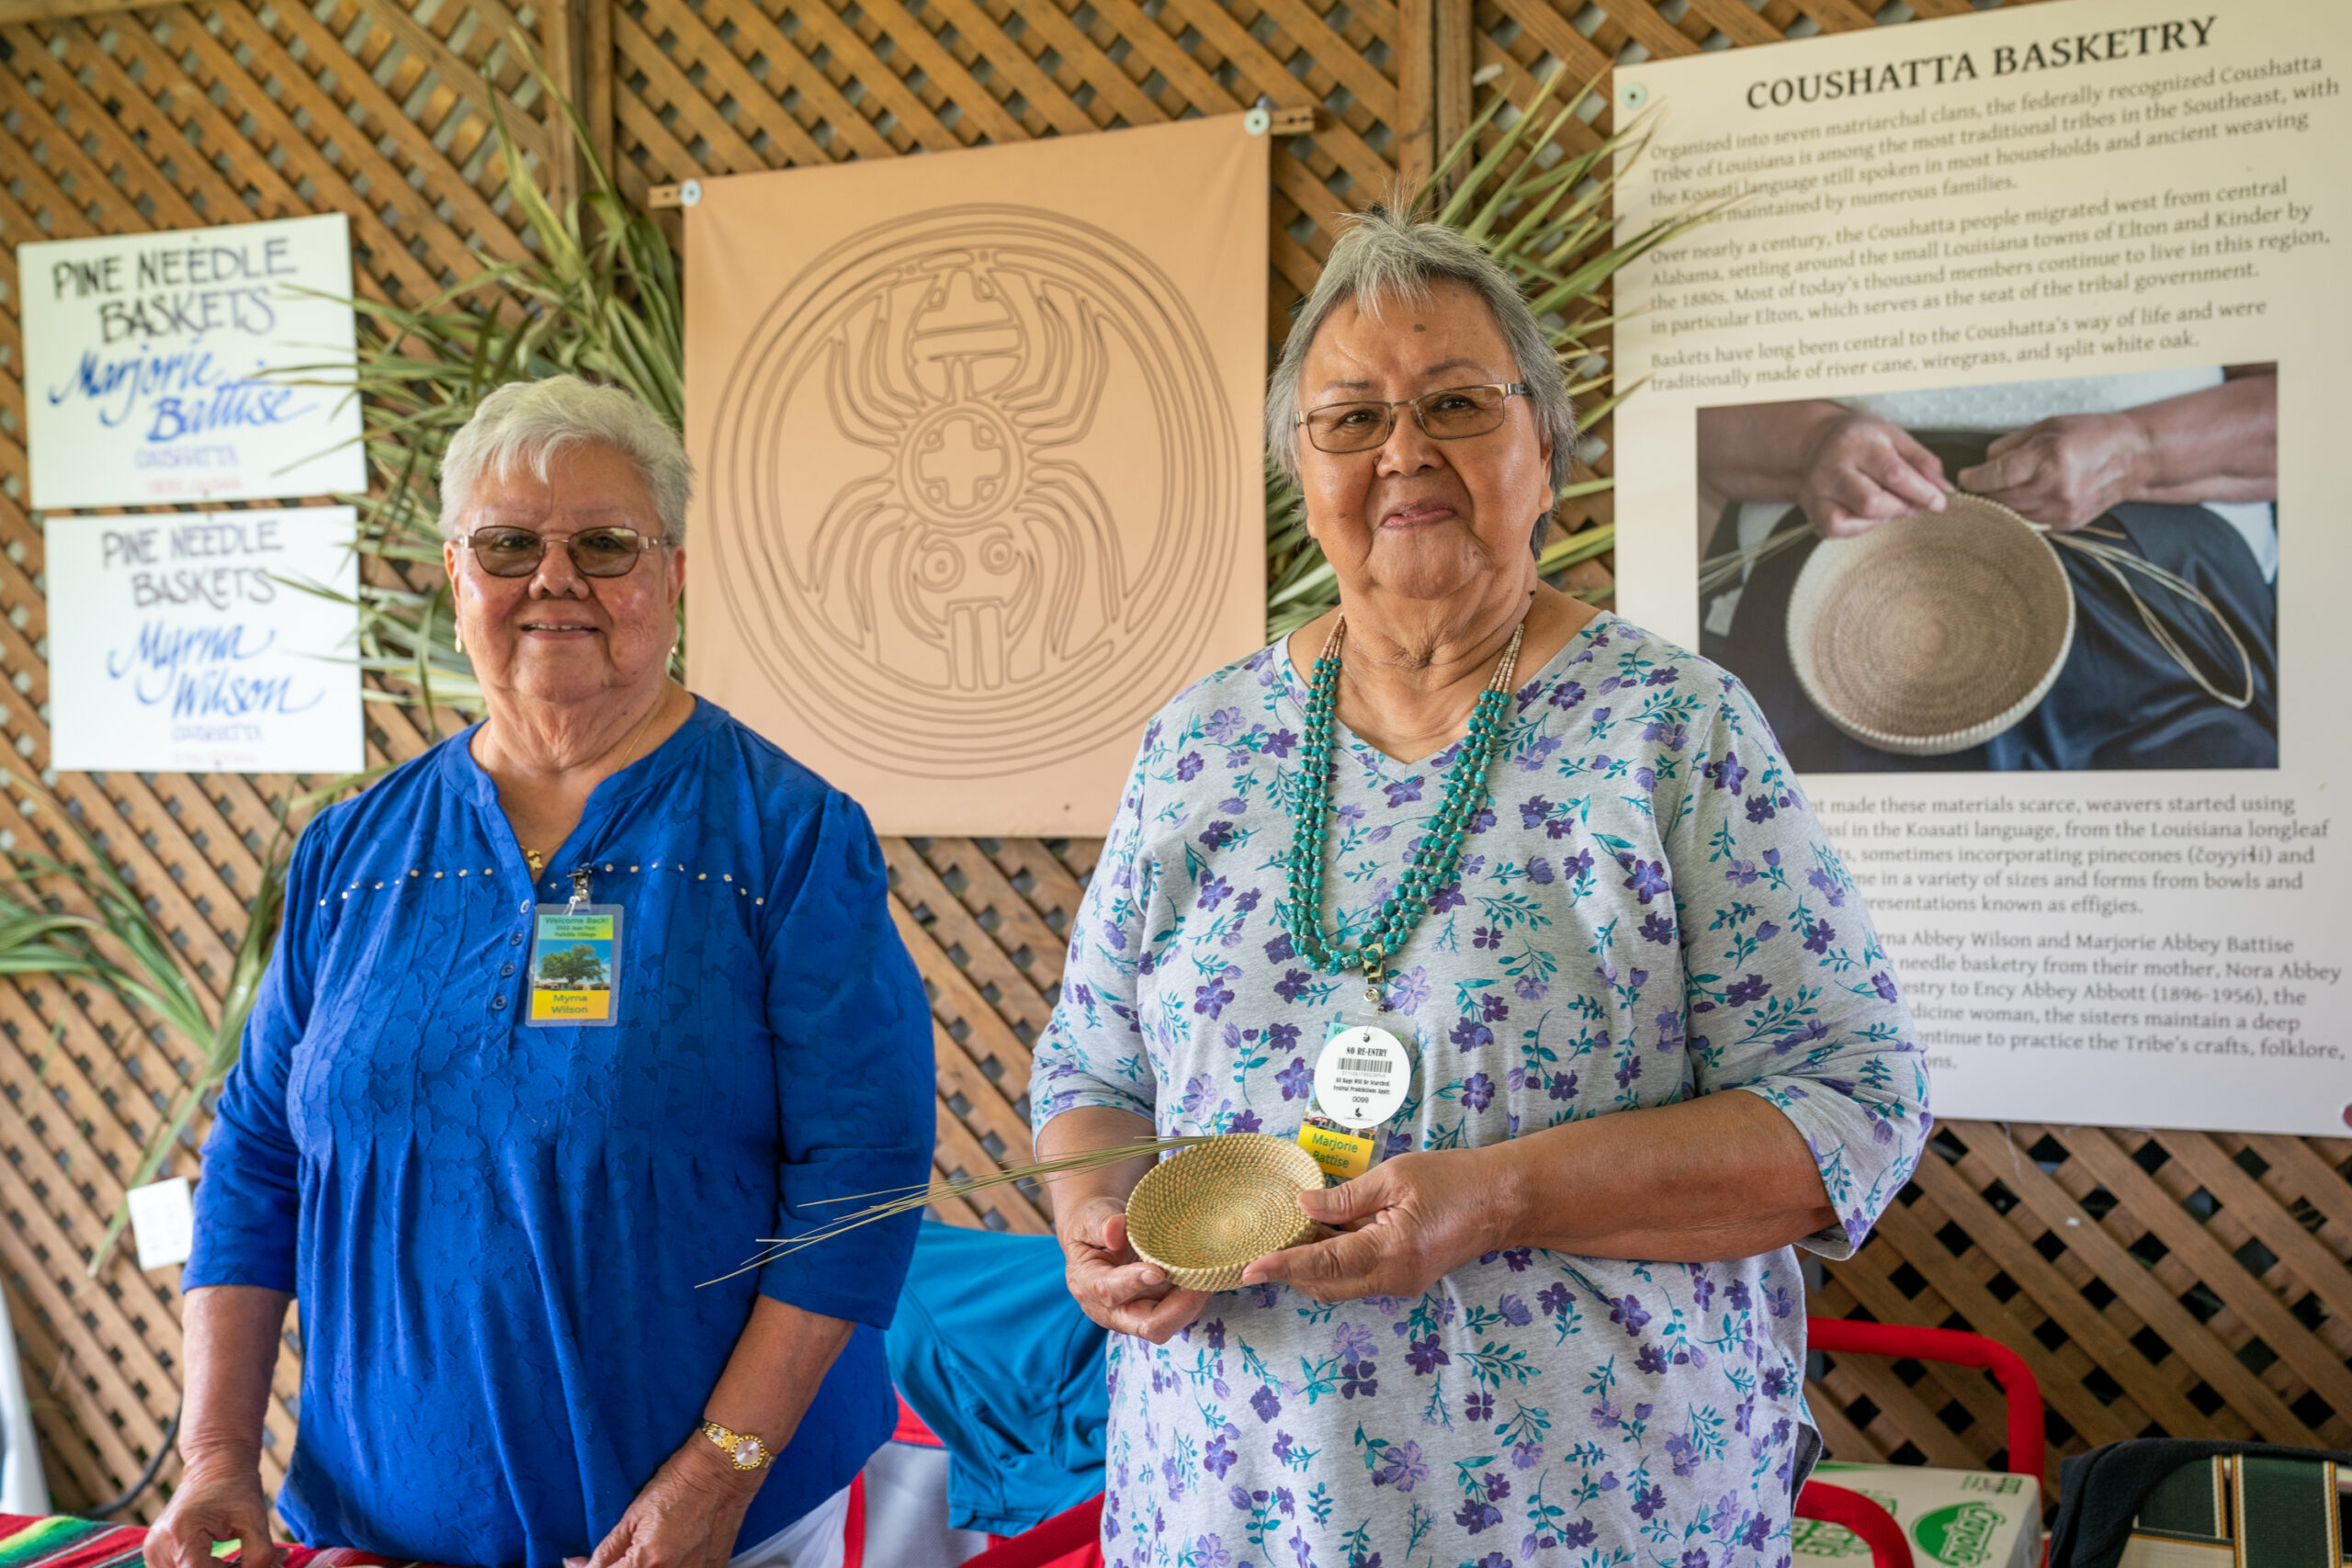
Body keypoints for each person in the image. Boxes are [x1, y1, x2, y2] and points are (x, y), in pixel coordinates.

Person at [1030, 209, 1930, 1563]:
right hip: (1233, 1506)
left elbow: (1852, 1110)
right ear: (1300, 464)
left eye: (1455, 402)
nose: (1404, 450)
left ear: (1545, 452)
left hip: (1592, 1513)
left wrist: (1497, 1195)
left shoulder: (1672, 727)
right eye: (1350, 418)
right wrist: (1090, 1220)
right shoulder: (1201, 740)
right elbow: (1089, 1068)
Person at [146, 376, 935, 1568]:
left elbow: (860, 1177)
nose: (554, 577)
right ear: (456, 576)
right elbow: (256, 1160)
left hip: (717, 1528)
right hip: (369, 1519)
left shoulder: (787, 837)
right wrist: (214, 1455)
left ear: (669, 572)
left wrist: (722, 1466)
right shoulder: (351, 854)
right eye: (509, 543)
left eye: (604, 542)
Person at [1694, 368, 2279, 770]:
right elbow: (1686, 423)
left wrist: (2142, 450)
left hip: (2140, 586)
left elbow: (2316, 397)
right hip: (1832, 581)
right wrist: (1811, 444)